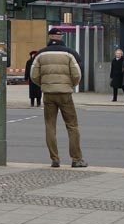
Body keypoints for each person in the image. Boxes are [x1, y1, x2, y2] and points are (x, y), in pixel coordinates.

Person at [30, 28, 87, 169]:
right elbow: (77, 74)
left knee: (50, 126)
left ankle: (55, 159)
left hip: (48, 94)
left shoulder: (40, 54)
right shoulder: (70, 53)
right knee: (72, 126)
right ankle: (76, 159)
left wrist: (44, 84)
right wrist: (70, 85)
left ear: (49, 37)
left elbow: (34, 75)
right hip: (65, 93)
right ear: (61, 37)